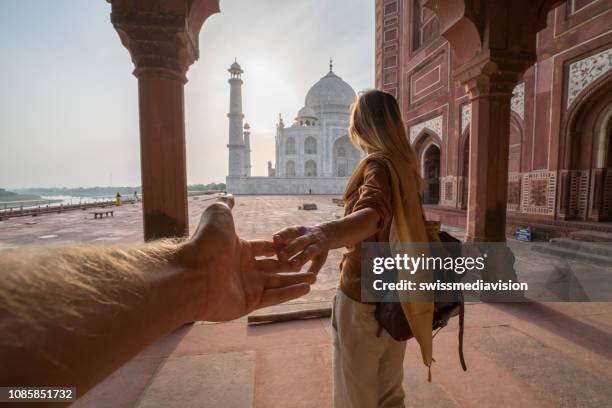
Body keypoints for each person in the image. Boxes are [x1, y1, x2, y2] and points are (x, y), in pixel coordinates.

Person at [0, 196, 314, 397]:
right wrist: (194, 276)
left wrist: (193, 274)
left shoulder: (365, 176)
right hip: (360, 293)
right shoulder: (364, 174)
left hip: (362, 290)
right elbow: (18, 390)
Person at [273, 90, 432, 408]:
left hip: (362, 297)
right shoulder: (405, 168)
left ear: (359, 127)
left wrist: (322, 233)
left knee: (354, 397)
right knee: (390, 394)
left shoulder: (378, 165)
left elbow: (372, 215)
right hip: (395, 293)